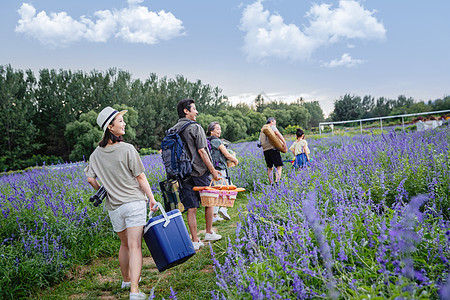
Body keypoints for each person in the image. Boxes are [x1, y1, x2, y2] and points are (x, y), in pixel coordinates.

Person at [84, 106, 157, 300]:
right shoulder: (127, 149)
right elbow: (140, 177)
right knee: (135, 246)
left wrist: (105, 189)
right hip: (133, 202)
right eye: (120, 121)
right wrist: (151, 198)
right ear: (110, 127)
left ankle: (126, 280)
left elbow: (91, 179)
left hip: (114, 207)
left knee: (124, 245)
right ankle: (134, 290)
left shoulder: (95, 155)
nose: (124, 124)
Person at [172, 99, 222, 250]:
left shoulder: (173, 129)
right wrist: (213, 170)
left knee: (191, 208)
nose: (197, 112)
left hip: (182, 173)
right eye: (194, 109)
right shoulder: (195, 127)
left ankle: (195, 240)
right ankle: (208, 232)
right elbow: (202, 151)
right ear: (186, 111)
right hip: (199, 171)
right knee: (209, 202)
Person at [206, 122, 239, 222]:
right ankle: (223, 209)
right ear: (211, 131)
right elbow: (226, 154)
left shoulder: (207, 141)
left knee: (216, 192)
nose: (219, 131)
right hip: (220, 170)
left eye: (220, 129)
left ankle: (215, 216)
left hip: (212, 170)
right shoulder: (217, 141)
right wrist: (235, 160)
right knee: (231, 189)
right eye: (217, 129)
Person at [259, 117, 287, 185]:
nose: (275, 124)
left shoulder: (262, 130)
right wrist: (284, 142)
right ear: (271, 121)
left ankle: (271, 183)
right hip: (273, 149)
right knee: (278, 166)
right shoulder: (271, 127)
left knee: (270, 167)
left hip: (265, 151)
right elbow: (277, 133)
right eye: (275, 122)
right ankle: (277, 182)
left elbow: (259, 143)